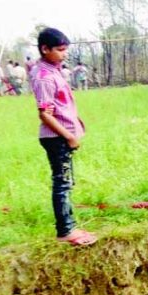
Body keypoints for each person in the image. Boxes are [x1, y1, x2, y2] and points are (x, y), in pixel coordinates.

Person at [31, 27, 96, 246]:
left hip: (62, 136)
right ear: (45, 49)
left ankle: (70, 226)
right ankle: (65, 231)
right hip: (57, 138)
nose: (64, 54)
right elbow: (44, 114)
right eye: (60, 50)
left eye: (65, 49)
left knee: (66, 182)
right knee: (62, 183)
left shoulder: (52, 70)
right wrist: (69, 136)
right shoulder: (44, 77)